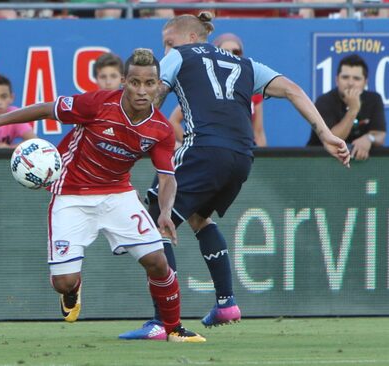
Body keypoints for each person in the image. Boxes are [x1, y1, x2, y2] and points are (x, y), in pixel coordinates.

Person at [119, 12, 350, 341]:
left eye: (168, 42)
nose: (164, 51)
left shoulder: (178, 56)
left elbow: (155, 96)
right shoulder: (247, 65)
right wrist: (325, 133)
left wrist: (131, 126)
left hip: (204, 148)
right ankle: (226, 303)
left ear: (191, 38)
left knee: (156, 214)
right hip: (242, 156)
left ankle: (163, 322)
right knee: (200, 217)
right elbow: (294, 89)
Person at [0, 48, 205, 343]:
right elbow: (45, 108)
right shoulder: (96, 103)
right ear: (125, 82)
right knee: (62, 283)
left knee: (157, 260)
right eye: (135, 83)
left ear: (158, 85)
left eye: (150, 83)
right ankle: (73, 288)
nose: (142, 91)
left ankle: (174, 328)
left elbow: (167, 176)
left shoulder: (160, 129)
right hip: (71, 194)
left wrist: (165, 211)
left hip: (118, 193)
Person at [307, 54, 386, 160]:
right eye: (345, 77)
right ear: (337, 80)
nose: (350, 83)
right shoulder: (324, 101)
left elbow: (380, 135)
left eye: (357, 78)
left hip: (358, 163)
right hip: (322, 162)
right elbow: (333, 141)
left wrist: (369, 138)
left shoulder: (374, 99)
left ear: (365, 82)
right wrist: (353, 110)